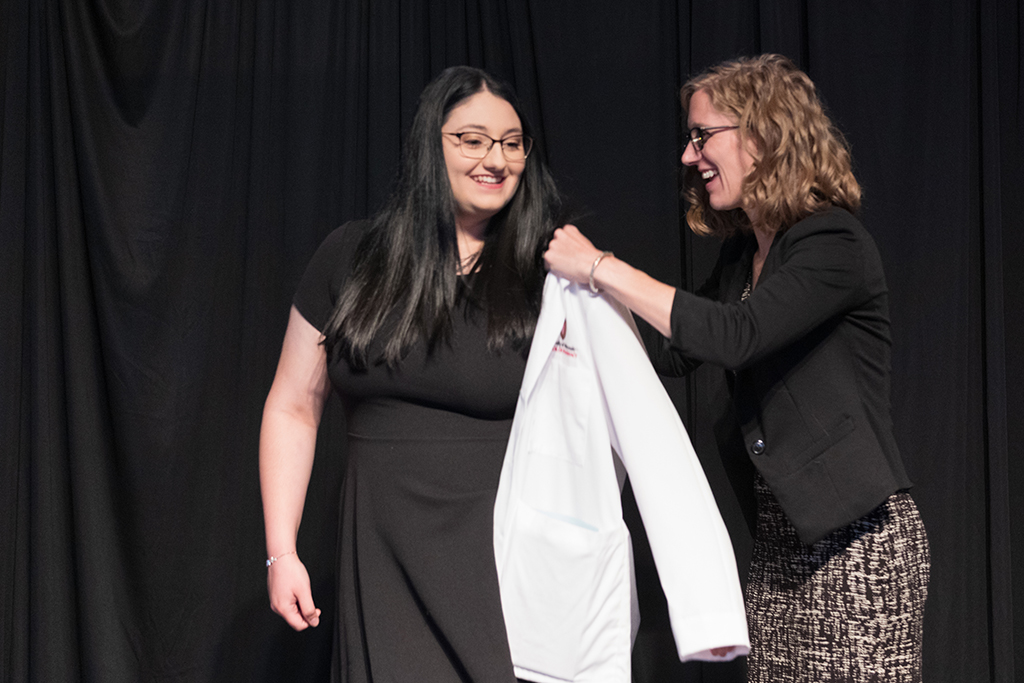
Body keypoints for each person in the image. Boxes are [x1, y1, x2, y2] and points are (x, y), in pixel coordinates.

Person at [543, 54, 930, 682]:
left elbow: (736, 336)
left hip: (857, 546)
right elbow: (673, 350)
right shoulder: (742, 259)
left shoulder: (833, 243)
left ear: (765, 134)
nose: (689, 156)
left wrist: (599, 267)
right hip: (782, 553)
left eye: (703, 136)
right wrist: (572, 310)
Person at [259, 66, 560, 682]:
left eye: (511, 142)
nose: (495, 158)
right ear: (432, 145)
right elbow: (292, 405)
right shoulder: (352, 255)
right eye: (472, 139)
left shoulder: (549, 272)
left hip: (505, 563)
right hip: (383, 554)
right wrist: (281, 554)